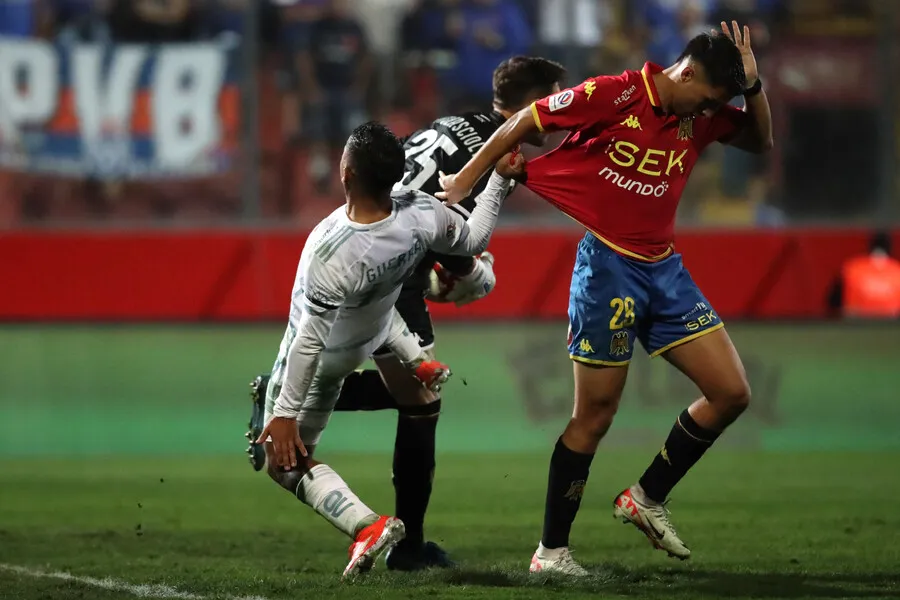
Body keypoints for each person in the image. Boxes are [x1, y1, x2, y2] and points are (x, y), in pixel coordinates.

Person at [437, 23, 773, 574]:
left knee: (731, 393)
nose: (709, 111)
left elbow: (760, 142)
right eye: (710, 97)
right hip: (608, 268)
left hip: (664, 270)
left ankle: (644, 497)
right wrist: (466, 179)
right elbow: (528, 119)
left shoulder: (700, 112)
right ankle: (552, 552)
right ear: (686, 73)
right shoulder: (614, 93)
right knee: (594, 415)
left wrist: (754, 88)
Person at [247, 55, 567, 571]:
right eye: (556, 95)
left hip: (373, 286)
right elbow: (466, 245)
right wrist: (462, 271)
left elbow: (311, 337)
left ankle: (388, 533)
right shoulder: (456, 181)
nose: (564, 106)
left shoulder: (450, 127)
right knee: (419, 403)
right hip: (389, 284)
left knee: (408, 399)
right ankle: (407, 544)